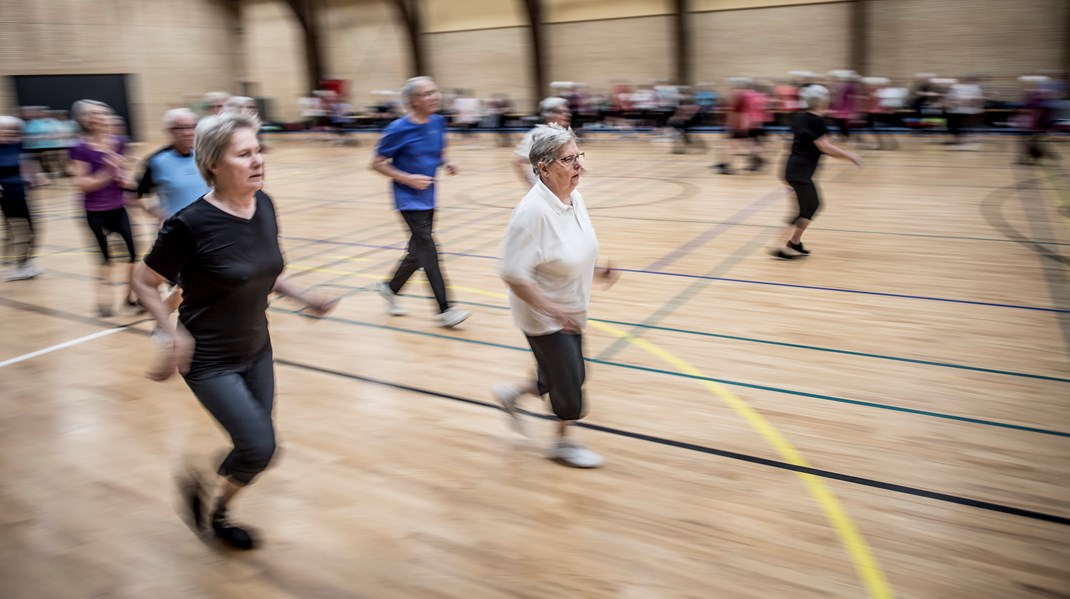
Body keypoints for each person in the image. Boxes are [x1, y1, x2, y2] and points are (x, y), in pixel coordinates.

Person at [131, 111, 338, 550]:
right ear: (214, 164)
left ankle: (216, 507)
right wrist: (173, 333)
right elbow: (144, 283)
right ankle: (211, 499)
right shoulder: (188, 225)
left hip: (256, 348)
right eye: (244, 154)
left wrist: (306, 298)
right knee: (261, 447)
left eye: (258, 150)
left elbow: (265, 271)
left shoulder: (264, 204)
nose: (258, 160)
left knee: (254, 451)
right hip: (208, 359)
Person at [493, 124, 619, 468]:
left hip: (570, 307)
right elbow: (512, 272)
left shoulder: (573, 197)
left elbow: (565, 251)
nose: (578, 165)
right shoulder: (532, 213)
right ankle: (563, 443)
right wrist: (551, 309)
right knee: (571, 378)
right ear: (544, 167)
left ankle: (512, 395)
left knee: (559, 372)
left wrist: (595, 271)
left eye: (578, 156)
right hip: (545, 315)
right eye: (568, 159)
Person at [371, 76, 471, 327]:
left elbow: (437, 151)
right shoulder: (397, 129)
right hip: (408, 200)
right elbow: (376, 163)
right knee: (430, 253)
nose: (435, 97)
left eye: (435, 91)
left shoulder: (437, 122)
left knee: (417, 252)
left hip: (429, 197)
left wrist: (446, 162)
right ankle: (445, 309)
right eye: (427, 93)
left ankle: (390, 288)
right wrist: (407, 179)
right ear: (413, 100)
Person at [773, 85, 862, 260]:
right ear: (822, 100)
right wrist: (849, 155)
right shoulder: (817, 121)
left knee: (811, 206)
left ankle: (795, 242)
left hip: (793, 169)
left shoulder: (800, 118)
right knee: (804, 209)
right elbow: (826, 147)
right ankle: (779, 247)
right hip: (799, 173)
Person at [69, 99, 139, 316]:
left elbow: (124, 177)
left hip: (118, 208)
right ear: (83, 119)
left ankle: (130, 298)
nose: (98, 117)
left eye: (101, 113)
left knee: (133, 254)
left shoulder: (118, 142)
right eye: (92, 113)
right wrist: (107, 173)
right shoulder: (79, 148)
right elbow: (81, 184)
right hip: (95, 212)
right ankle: (103, 302)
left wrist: (125, 177)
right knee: (105, 259)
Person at [0, 116, 42, 281]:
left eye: (11, 129)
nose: (8, 132)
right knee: (15, 230)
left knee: (32, 228)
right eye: (4, 129)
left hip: (21, 193)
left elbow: (29, 163)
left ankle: (24, 263)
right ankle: (19, 264)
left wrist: (36, 176)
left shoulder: (18, 144)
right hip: (5, 196)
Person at [513, 97, 571, 188]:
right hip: (545, 190)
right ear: (549, 114)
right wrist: (530, 186)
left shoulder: (564, 134)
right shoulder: (537, 135)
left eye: (566, 112)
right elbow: (520, 161)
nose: (566, 115)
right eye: (560, 112)